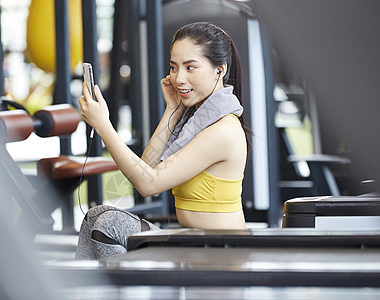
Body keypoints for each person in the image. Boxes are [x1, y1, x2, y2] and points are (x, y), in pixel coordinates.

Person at [75, 22, 251, 259]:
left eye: (190, 68)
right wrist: (171, 111)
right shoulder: (196, 118)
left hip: (219, 253)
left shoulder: (222, 130)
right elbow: (146, 167)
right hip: (194, 245)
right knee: (96, 215)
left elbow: (148, 184)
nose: (179, 78)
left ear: (219, 70)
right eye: (174, 67)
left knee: (109, 224)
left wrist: (104, 126)